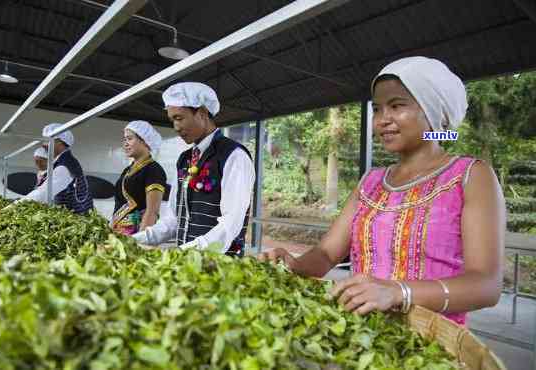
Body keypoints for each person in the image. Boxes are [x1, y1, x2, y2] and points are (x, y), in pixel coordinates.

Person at [259, 56, 505, 325]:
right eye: (377, 109)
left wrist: (398, 291)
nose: (381, 120)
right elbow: (327, 254)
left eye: (397, 106)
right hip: (363, 332)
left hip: (432, 343)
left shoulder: (470, 176)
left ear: (436, 112)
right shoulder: (371, 182)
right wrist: (294, 265)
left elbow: (487, 285)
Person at [132, 82, 255, 257]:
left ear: (203, 113)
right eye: (172, 120)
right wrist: (135, 240)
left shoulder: (233, 156)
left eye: (179, 118)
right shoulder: (185, 160)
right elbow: (174, 219)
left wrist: (186, 253)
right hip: (186, 264)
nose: (176, 127)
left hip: (220, 268)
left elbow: (231, 223)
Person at [20, 123, 94, 214]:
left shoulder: (65, 165)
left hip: (78, 219)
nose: (43, 145)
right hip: (70, 216)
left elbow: (42, 193)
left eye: (47, 141)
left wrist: (11, 208)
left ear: (60, 142)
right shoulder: (61, 162)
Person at [111, 120, 168, 235]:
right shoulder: (127, 171)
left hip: (137, 234)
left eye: (130, 138)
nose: (125, 144)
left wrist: (140, 242)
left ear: (145, 141)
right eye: (125, 139)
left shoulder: (154, 170)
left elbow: (152, 212)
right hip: (119, 232)